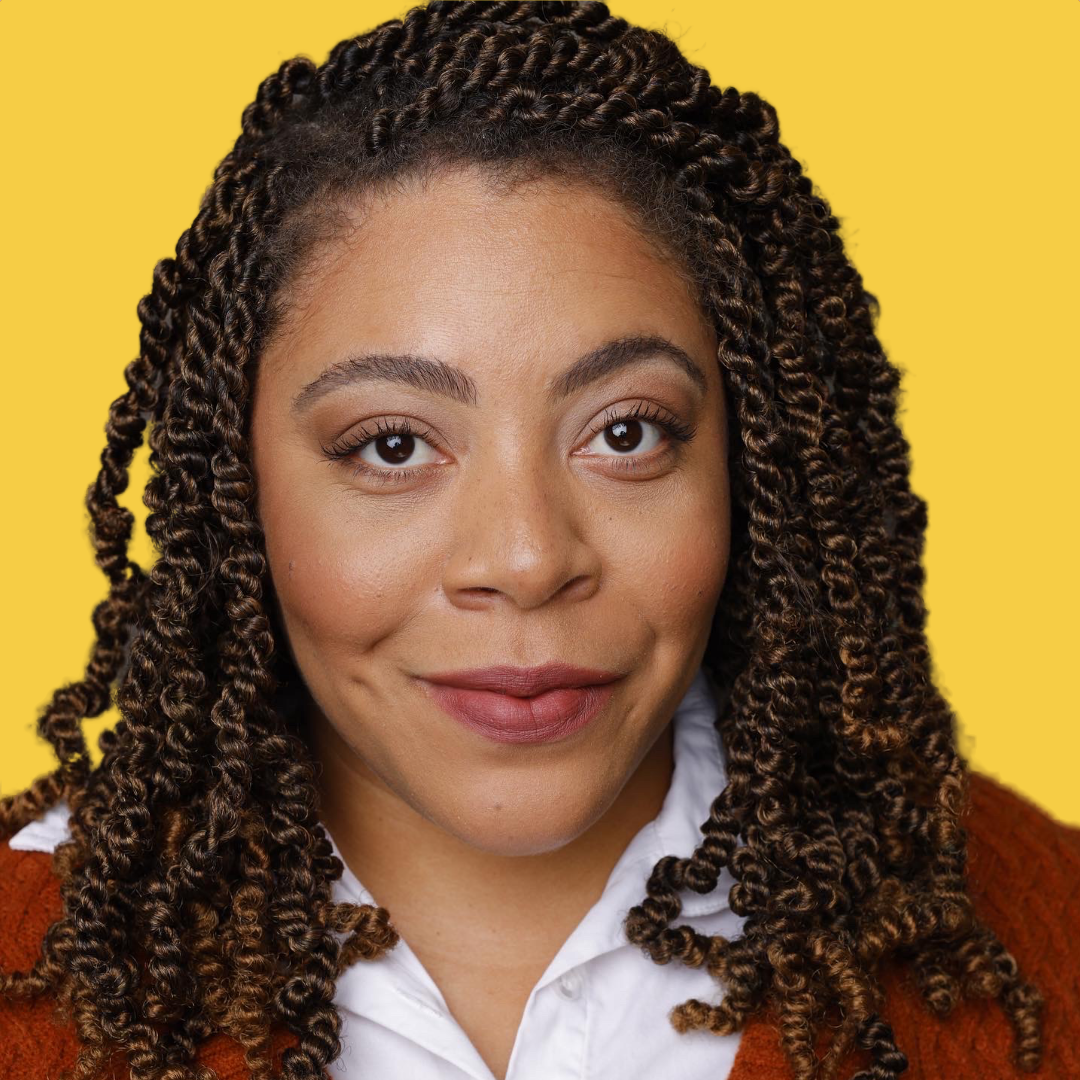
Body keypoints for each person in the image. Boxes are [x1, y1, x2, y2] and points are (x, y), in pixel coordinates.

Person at [1, 3, 1077, 1079]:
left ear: (749, 462)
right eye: (390, 445)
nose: (525, 559)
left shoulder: (1044, 936)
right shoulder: (26, 971)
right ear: (239, 491)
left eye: (625, 432)